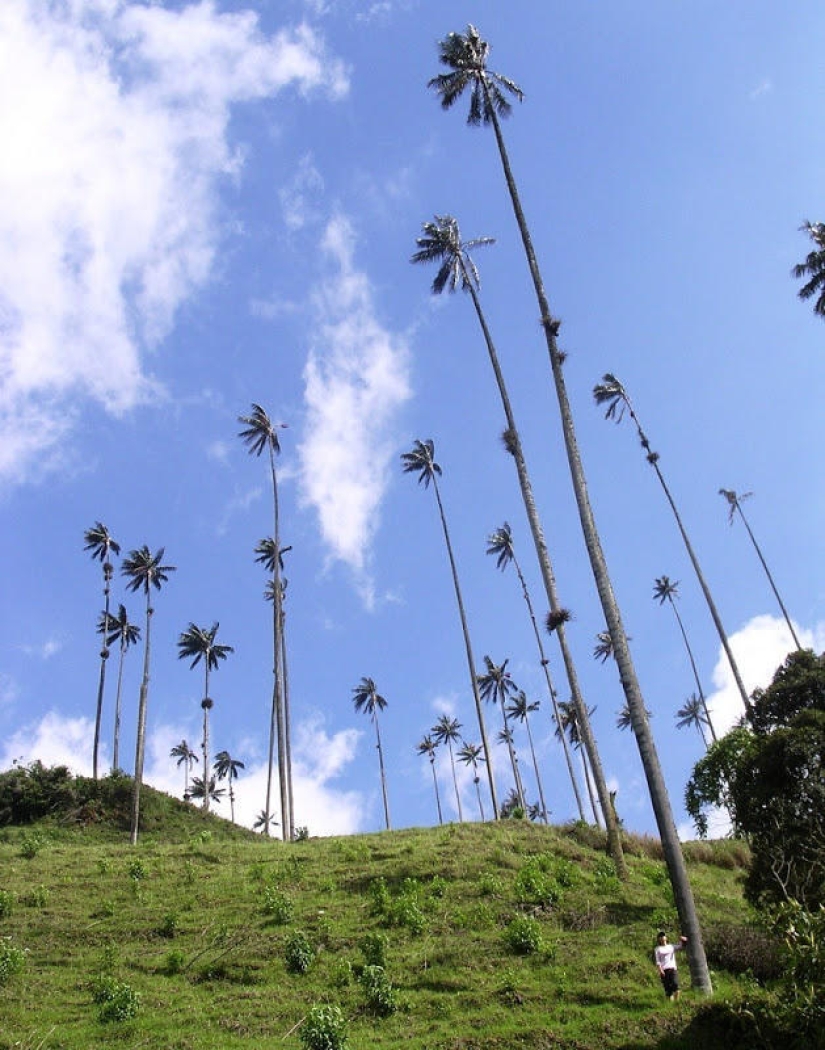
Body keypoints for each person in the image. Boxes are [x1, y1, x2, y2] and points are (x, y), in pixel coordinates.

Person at [653, 930, 688, 1001]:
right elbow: (658, 961)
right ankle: (670, 1005)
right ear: (658, 939)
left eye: (663, 935)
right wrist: (660, 970)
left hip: (672, 969)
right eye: (660, 936)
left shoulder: (671, 946)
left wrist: (684, 940)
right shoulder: (657, 949)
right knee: (668, 991)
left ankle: (676, 1002)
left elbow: (681, 946)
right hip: (664, 970)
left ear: (666, 937)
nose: (662, 937)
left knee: (676, 986)